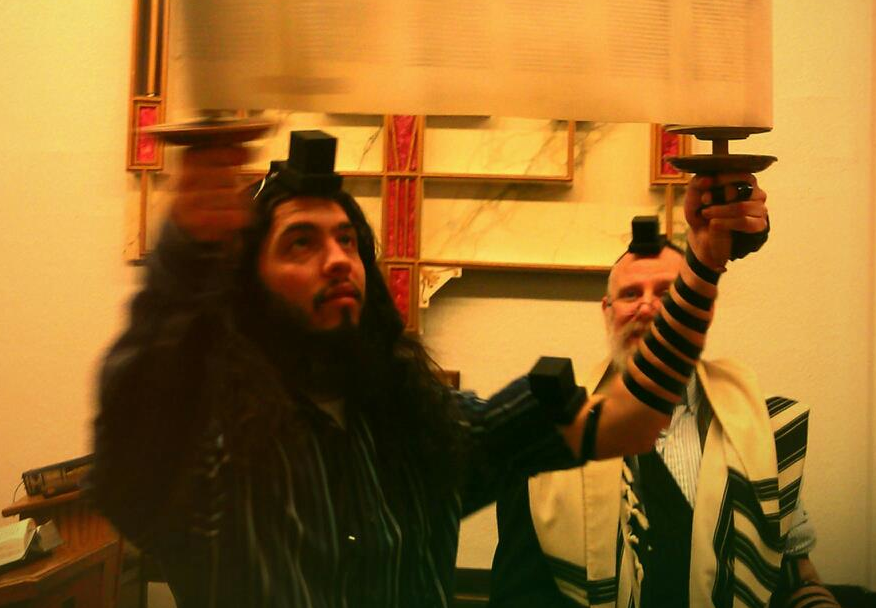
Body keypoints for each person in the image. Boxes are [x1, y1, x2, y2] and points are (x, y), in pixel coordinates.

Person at [91, 130, 766, 608]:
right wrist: (184, 260)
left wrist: (703, 262)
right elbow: (131, 434)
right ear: (250, 289)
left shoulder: (424, 430)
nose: (338, 259)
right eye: (301, 243)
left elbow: (628, 420)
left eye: (347, 240)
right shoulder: (210, 451)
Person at [490, 216, 840, 608]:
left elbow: (796, 576)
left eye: (667, 293)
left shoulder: (763, 429)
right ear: (608, 311)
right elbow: (518, 592)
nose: (647, 307)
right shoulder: (552, 432)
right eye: (630, 294)